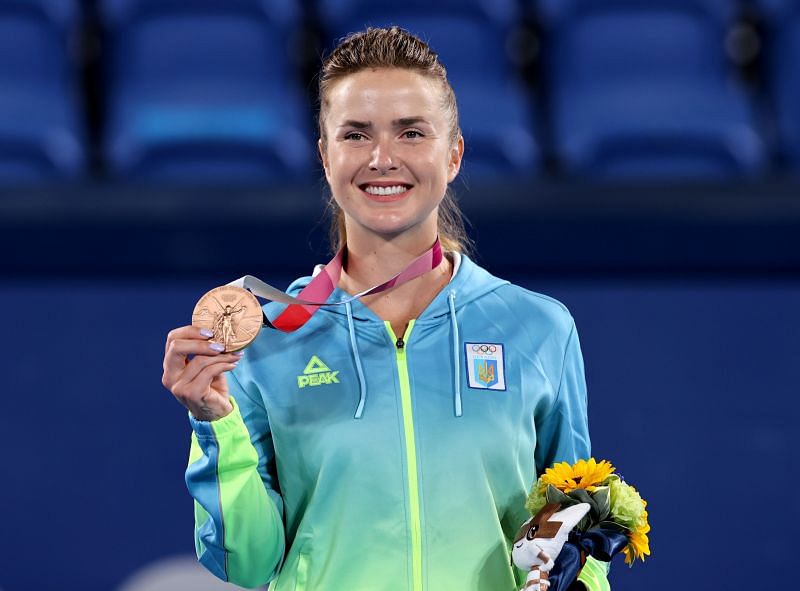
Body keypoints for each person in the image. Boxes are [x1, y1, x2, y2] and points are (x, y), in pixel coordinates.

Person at [162, 27, 609, 591]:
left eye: (411, 132)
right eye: (356, 134)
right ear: (325, 158)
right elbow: (246, 562)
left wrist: (575, 580)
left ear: (453, 154)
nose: (382, 158)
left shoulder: (538, 328)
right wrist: (214, 422)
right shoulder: (268, 336)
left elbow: (580, 533)